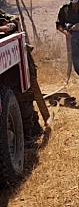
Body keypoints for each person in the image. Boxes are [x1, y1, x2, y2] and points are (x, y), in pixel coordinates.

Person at [0, 9, 44, 146]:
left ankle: (28, 134)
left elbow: (13, 22)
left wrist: (5, 27)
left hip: (13, 60)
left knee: (23, 96)